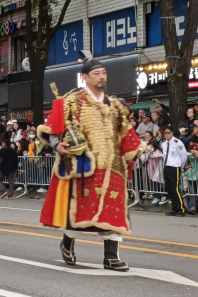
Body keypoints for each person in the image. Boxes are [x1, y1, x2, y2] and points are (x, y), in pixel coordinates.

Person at [38, 59, 144, 272]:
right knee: (78, 213)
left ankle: (111, 257)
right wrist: (58, 146)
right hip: (85, 165)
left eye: (104, 73)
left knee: (114, 212)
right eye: (97, 73)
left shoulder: (114, 105)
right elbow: (54, 127)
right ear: (85, 77)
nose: (102, 76)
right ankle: (67, 243)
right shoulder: (72, 101)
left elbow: (125, 134)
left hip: (113, 167)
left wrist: (136, 151)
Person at [161, 127, 188, 217]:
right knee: (169, 189)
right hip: (167, 166)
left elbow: (183, 155)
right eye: (165, 133)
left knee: (175, 188)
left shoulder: (178, 143)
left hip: (175, 167)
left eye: (168, 132)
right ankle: (174, 208)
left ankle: (181, 208)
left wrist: (181, 165)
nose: (166, 135)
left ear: (172, 133)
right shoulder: (164, 144)